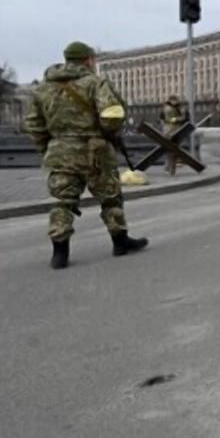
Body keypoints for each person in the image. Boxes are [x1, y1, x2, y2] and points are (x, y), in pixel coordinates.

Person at [23, 41, 149, 269]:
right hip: (95, 152)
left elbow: (33, 124)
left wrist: (49, 147)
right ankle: (120, 242)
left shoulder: (42, 88)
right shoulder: (95, 83)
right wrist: (108, 133)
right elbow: (112, 114)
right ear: (88, 60)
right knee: (110, 198)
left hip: (60, 152)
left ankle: (59, 253)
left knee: (63, 201)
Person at [159, 95, 184, 175]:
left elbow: (184, 117)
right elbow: (162, 117)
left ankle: (172, 166)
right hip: (168, 129)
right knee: (168, 147)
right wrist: (163, 124)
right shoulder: (166, 107)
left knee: (174, 148)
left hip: (176, 129)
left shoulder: (179, 107)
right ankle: (169, 165)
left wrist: (176, 119)